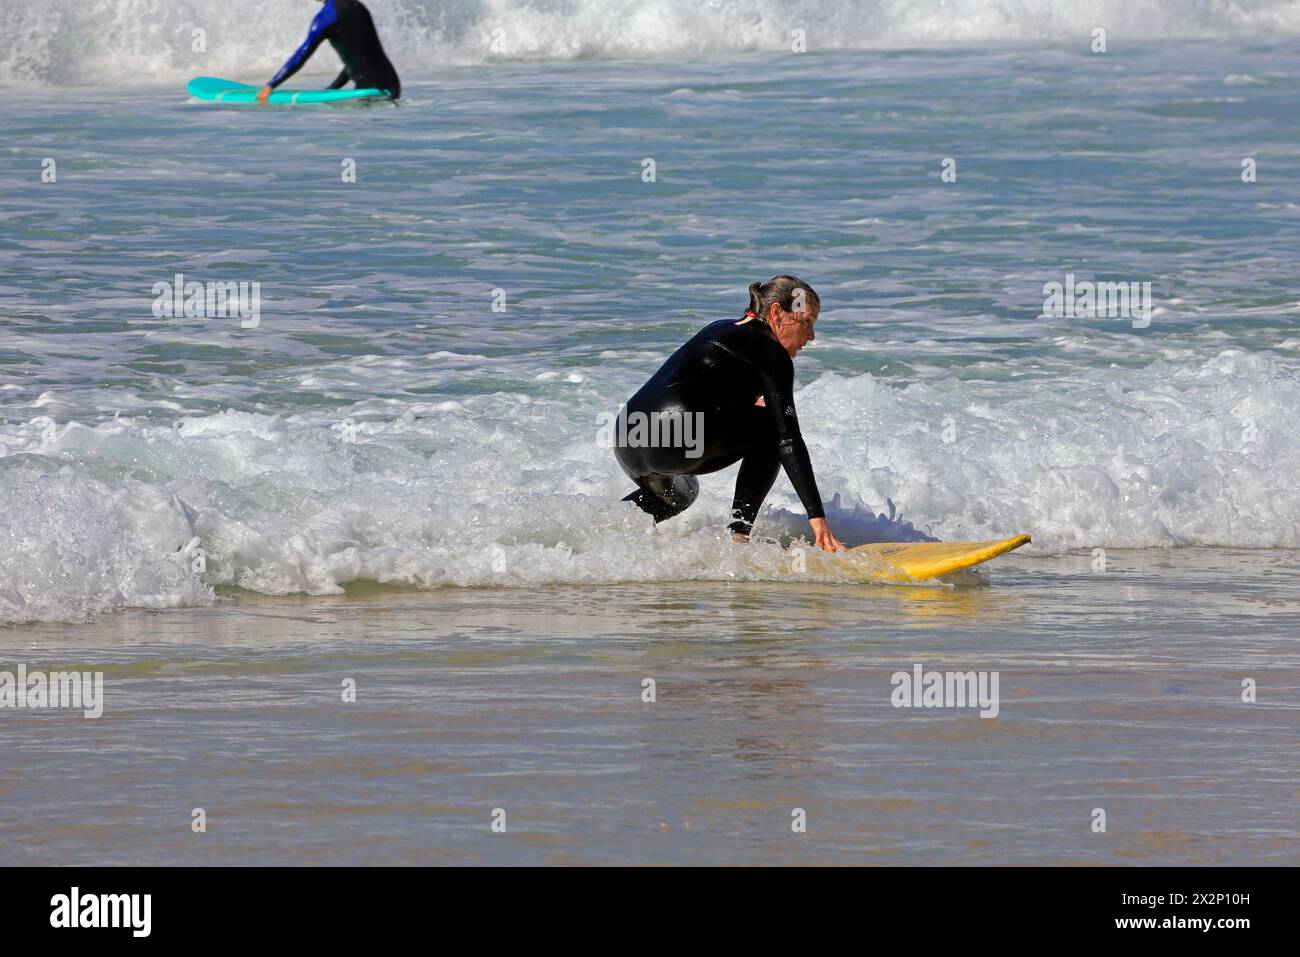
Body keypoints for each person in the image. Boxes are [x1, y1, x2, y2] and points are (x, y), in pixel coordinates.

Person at [615, 275, 846, 552]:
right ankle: (739, 535)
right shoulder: (773, 353)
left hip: (629, 437)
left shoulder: (720, 327)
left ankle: (602, 529)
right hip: (678, 437)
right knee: (773, 427)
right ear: (777, 313)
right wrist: (817, 517)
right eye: (806, 321)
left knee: (679, 497)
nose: (811, 336)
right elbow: (788, 439)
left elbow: (700, 391)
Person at [256, 0, 401, 104]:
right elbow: (361, 55)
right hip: (392, 86)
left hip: (371, 94)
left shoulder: (327, 17)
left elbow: (301, 55)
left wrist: (270, 86)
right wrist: (333, 88)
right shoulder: (358, 6)